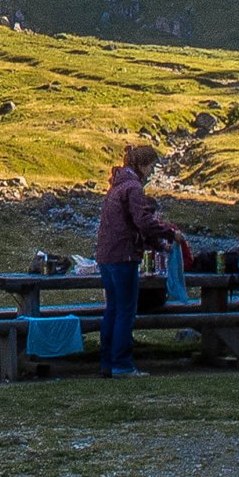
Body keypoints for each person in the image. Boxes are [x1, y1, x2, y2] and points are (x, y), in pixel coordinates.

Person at [94, 142, 178, 379]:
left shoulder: (116, 187)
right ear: (142, 165)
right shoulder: (133, 188)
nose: (151, 173)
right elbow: (143, 222)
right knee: (126, 311)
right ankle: (122, 363)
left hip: (106, 256)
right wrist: (170, 234)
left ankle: (107, 362)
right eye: (151, 168)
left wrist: (158, 245)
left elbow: (131, 224)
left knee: (112, 308)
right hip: (124, 256)